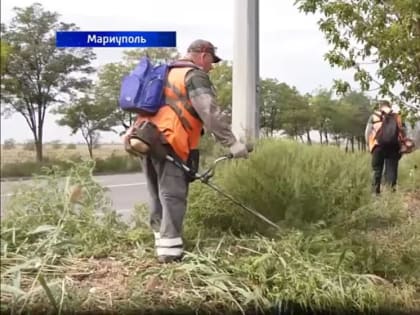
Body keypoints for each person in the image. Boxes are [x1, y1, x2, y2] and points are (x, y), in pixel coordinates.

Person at [123, 39, 250, 263]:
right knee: (172, 195)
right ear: (203, 55)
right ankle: (170, 252)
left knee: (156, 194)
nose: (212, 66)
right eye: (212, 61)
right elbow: (209, 111)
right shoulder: (194, 75)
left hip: (144, 137)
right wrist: (231, 142)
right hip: (170, 140)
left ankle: (160, 242)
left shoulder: (166, 72)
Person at [365, 100, 406, 195]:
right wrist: (402, 146)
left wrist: (369, 145)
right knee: (392, 170)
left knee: (376, 170)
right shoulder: (397, 117)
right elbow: (403, 132)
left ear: (380, 106)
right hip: (394, 147)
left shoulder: (374, 116)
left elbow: (367, 132)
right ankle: (391, 194)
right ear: (389, 106)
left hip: (377, 146)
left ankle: (375, 194)